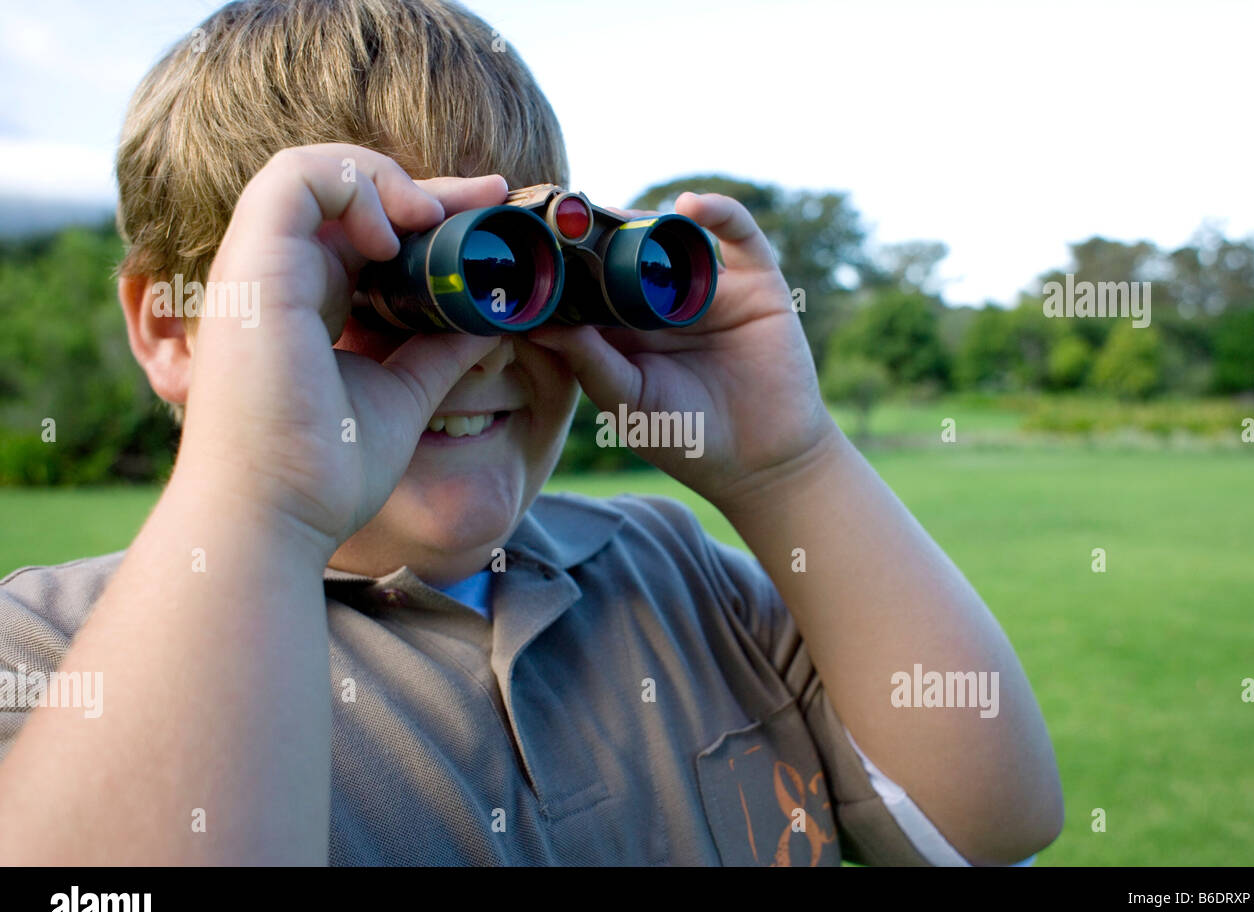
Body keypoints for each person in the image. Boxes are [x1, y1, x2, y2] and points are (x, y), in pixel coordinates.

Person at [0, 0, 1063, 865]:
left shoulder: (671, 572)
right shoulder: (47, 657)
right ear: (175, 326)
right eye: (390, 281)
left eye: (512, 273)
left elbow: (984, 826)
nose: (481, 344)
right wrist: (262, 495)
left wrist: (793, 463)